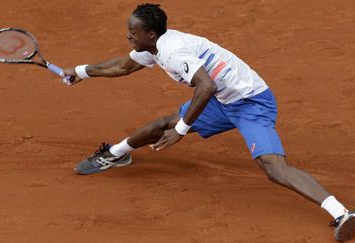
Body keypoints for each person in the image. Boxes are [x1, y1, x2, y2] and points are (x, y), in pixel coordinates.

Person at [61, 3, 354, 242]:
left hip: (250, 102)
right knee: (164, 123)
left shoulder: (174, 52)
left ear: (150, 33)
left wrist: (181, 130)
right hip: (222, 100)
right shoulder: (153, 46)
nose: (128, 36)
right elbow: (122, 66)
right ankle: (115, 154)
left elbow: (206, 86)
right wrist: (79, 71)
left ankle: (342, 213)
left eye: (132, 31)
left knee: (272, 167)